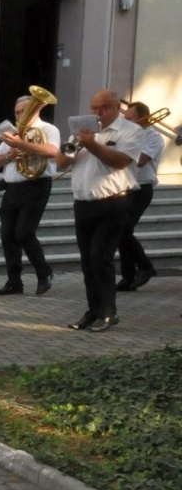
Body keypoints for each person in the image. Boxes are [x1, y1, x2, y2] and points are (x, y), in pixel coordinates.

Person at [55, 89, 141, 332]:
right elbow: (60, 163)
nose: (97, 112)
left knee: (100, 258)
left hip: (114, 202)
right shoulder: (82, 132)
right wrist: (74, 145)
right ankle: (93, 310)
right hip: (84, 203)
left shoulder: (130, 130)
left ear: (117, 109)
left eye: (104, 107)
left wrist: (92, 144)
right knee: (87, 261)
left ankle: (108, 312)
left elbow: (120, 162)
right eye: (94, 107)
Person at [0, 95, 61, 296]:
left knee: (24, 233)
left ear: (35, 110)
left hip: (36, 186)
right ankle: (14, 282)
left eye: (23, 111)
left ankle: (44, 272)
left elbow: (51, 151)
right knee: (7, 236)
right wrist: (8, 155)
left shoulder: (48, 129)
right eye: (17, 112)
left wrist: (21, 145)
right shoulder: (13, 133)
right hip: (12, 188)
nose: (20, 115)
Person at [116, 100, 161, 291]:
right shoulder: (125, 134)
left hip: (142, 187)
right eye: (125, 118)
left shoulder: (154, 136)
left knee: (124, 230)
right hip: (124, 186)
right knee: (121, 231)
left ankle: (145, 267)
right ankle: (128, 277)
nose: (126, 122)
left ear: (144, 118)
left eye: (130, 119)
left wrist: (121, 150)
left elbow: (141, 160)